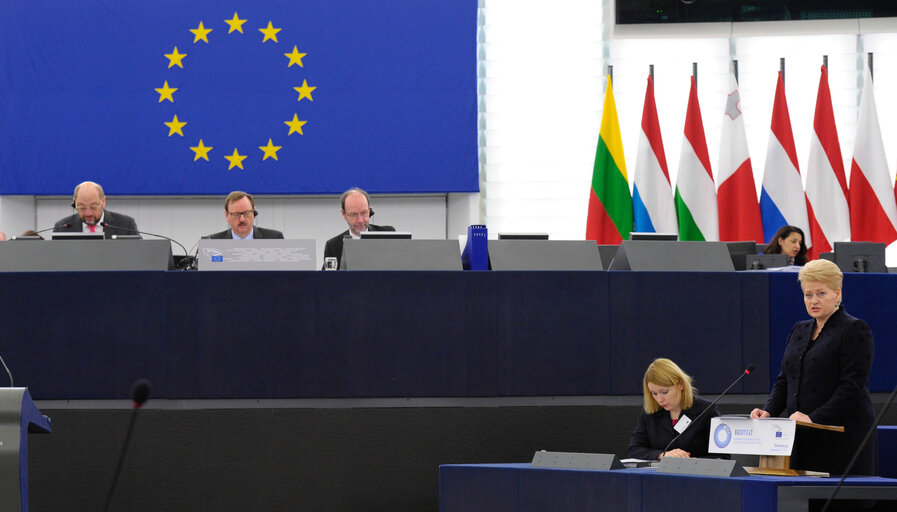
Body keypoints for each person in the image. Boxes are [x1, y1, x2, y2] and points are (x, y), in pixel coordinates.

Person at [750, 259, 876, 475]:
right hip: (802, 435)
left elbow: (851, 388)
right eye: (808, 295)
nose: (813, 301)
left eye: (821, 294)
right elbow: (785, 380)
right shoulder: (799, 329)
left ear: (837, 294)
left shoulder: (854, 329)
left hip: (840, 436)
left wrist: (813, 418)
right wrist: (768, 410)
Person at [627, 358, 726, 460]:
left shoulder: (706, 410)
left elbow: (722, 456)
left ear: (680, 384)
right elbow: (634, 450)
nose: (660, 399)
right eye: (654, 393)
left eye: (664, 392)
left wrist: (695, 463)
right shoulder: (650, 413)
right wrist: (662, 455)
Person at [322, 188, 395, 268]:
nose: (360, 220)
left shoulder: (388, 234)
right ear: (343, 214)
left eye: (363, 213)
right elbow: (326, 279)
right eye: (354, 215)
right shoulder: (333, 246)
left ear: (370, 211)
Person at [53, 181, 139, 238]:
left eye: (93, 207)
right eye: (82, 207)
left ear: (103, 201)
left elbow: (140, 257)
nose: (88, 213)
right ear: (75, 203)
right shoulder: (62, 228)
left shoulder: (126, 225)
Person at [206, 191, 284, 240]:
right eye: (236, 214)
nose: (242, 219)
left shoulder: (274, 238)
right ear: (227, 215)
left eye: (247, 213)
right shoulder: (212, 242)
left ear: (254, 213)